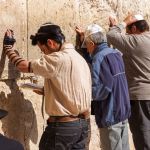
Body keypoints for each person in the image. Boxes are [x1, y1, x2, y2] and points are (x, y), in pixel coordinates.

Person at [3, 23, 92, 150]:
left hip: (63, 129)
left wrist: (8, 48)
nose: (44, 54)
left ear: (50, 43)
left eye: (43, 50)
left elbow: (22, 66)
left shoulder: (57, 58)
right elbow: (75, 88)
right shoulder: (79, 58)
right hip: (82, 126)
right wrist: (48, 91)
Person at [75, 24, 131, 150]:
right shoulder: (115, 53)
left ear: (92, 43)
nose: (86, 47)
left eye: (86, 44)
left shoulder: (99, 58)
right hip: (122, 111)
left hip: (110, 114)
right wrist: (83, 42)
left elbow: (101, 89)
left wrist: (84, 94)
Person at [107, 13, 150, 150]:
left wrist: (123, 23)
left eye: (127, 31)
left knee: (142, 135)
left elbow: (111, 35)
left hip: (140, 97)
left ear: (134, 29)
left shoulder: (135, 41)